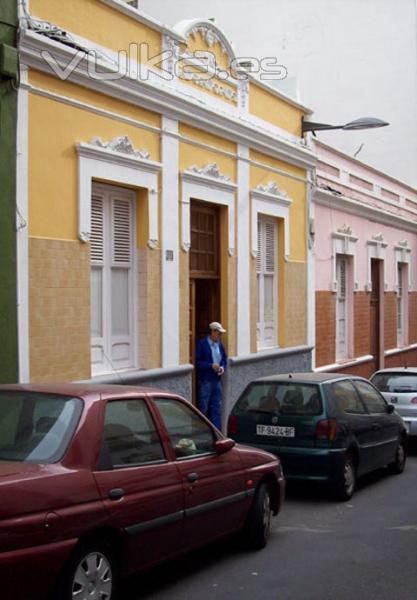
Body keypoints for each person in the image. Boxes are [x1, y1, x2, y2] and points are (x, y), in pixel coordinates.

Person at [196, 321, 228, 429]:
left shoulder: (220, 344)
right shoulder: (202, 344)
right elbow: (198, 362)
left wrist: (222, 367)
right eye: (219, 333)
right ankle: (202, 431)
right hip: (205, 381)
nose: (220, 336)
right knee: (203, 408)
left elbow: (224, 359)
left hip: (216, 380)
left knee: (216, 408)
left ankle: (216, 433)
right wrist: (210, 365)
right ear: (212, 332)